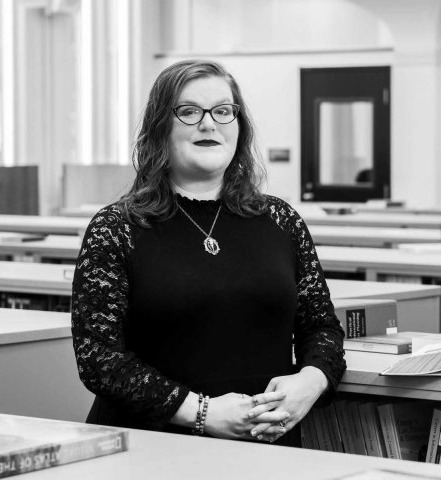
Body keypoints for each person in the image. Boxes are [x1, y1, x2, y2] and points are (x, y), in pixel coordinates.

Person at [70, 59, 346, 447]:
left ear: (238, 126)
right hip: (153, 448)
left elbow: (322, 328)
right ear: (160, 128)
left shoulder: (282, 220)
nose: (208, 123)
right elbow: (98, 359)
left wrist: (310, 381)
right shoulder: (117, 228)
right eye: (188, 111)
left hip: (268, 449)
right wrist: (201, 412)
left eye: (223, 110)